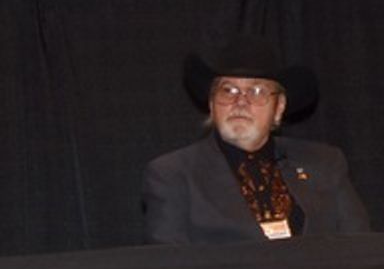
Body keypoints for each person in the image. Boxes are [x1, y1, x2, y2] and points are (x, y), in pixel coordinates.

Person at [143, 34, 370, 244]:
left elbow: (361, 250)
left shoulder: (324, 163)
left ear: (279, 107)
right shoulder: (173, 174)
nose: (241, 102)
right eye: (228, 91)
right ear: (212, 105)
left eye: (258, 91)